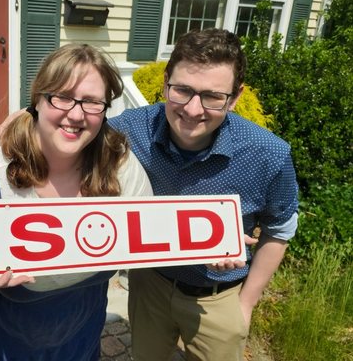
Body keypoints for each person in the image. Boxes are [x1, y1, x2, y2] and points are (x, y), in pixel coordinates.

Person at [0, 43, 153, 361]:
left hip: (81, 341)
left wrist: (217, 242)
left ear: (105, 109)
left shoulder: (119, 165)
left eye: (92, 102)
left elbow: (151, 232)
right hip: (2, 347)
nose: (76, 114)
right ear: (38, 98)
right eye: (62, 97)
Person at [107, 28, 299, 361]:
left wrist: (246, 303)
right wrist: (28, 116)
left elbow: (279, 230)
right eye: (182, 90)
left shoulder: (268, 153)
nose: (194, 109)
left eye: (212, 96)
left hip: (219, 297)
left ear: (235, 98)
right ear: (166, 82)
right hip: (150, 285)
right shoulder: (131, 128)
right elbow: (77, 129)